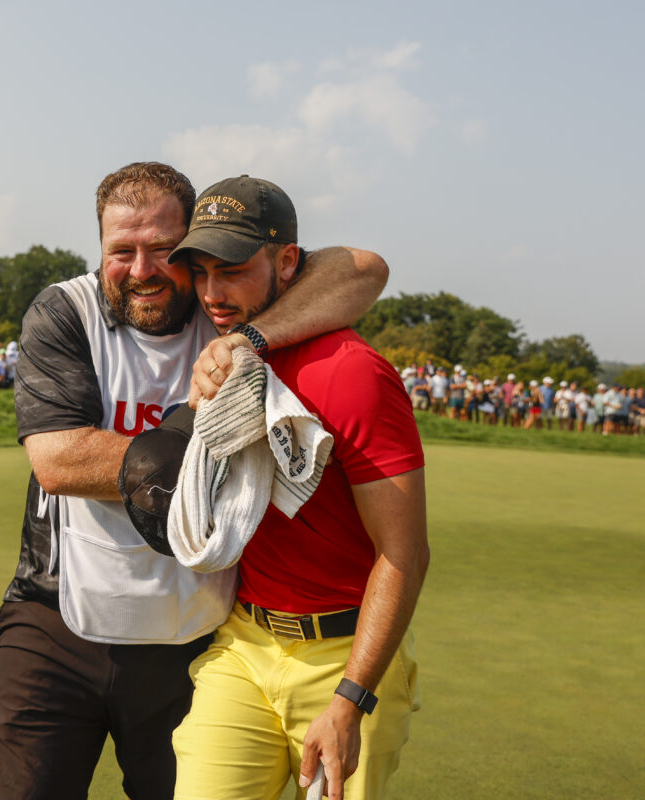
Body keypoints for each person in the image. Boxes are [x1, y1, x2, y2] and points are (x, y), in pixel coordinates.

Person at [0, 162, 390, 800]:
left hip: (192, 637)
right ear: (99, 249)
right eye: (121, 250)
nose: (142, 268)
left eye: (164, 252)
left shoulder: (226, 302)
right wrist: (192, 450)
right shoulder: (66, 311)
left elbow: (364, 268)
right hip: (55, 620)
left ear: (196, 248)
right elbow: (59, 462)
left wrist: (250, 338)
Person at [168, 175, 426, 800]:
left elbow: (404, 554)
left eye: (230, 268)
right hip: (244, 645)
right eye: (200, 272)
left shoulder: (355, 372)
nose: (212, 293)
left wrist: (351, 699)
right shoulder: (221, 351)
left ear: (286, 262)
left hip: (343, 659)